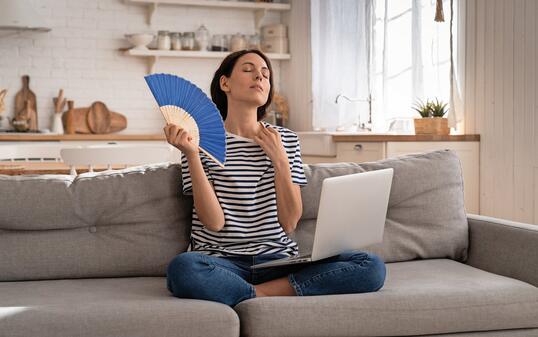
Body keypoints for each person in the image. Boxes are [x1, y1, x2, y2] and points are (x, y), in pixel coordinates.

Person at [164, 49, 386, 306]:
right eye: (248, 69)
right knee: (183, 269)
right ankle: (269, 293)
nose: (259, 76)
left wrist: (280, 159)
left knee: (371, 266)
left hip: (277, 261)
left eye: (266, 74)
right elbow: (214, 223)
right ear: (225, 83)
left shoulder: (286, 140)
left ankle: (254, 294)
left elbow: (290, 221)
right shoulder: (199, 143)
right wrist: (191, 155)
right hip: (222, 261)